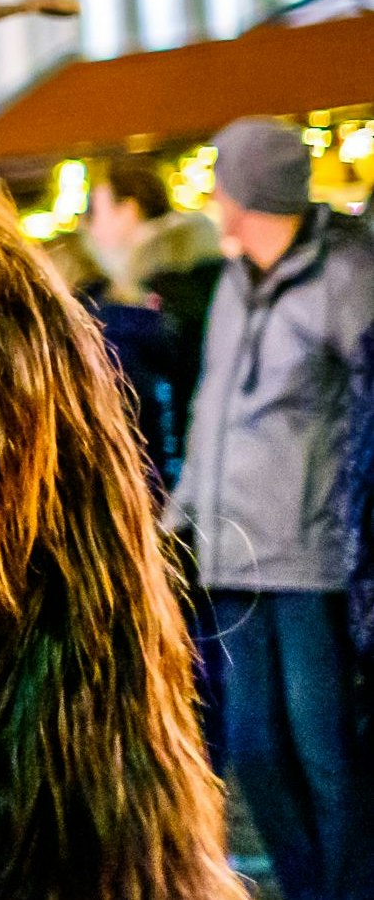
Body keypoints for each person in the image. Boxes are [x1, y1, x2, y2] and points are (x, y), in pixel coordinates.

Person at [169, 117, 374, 900]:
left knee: (324, 754)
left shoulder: (346, 278)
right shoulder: (230, 286)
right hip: (235, 559)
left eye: (221, 181)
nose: (213, 197)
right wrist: (177, 519)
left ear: (244, 193)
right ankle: (308, 888)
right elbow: (209, 410)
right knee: (252, 751)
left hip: (310, 564)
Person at [90, 158, 227, 487]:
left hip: (187, 488)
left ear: (129, 210)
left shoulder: (153, 291)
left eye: (97, 211)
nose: (91, 226)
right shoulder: (200, 272)